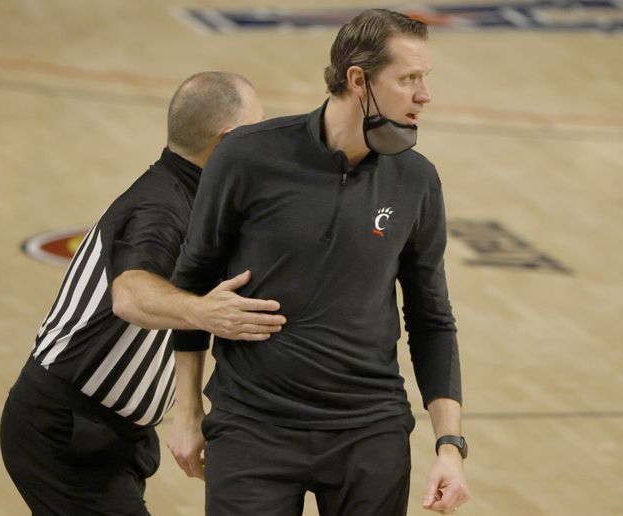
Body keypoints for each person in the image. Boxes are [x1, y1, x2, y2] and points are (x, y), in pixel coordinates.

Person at [168, 9, 470, 516]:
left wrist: (449, 447)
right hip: (252, 427)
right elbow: (194, 282)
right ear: (358, 80)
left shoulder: (416, 180)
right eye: (409, 79)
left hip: (369, 430)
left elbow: (431, 318)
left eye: (425, 79)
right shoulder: (247, 157)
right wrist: (188, 411)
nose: (424, 95)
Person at [0, 71, 286, 515]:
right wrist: (204, 312)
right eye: (259, 125)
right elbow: (130, 296)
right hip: (65, 432)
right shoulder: (159, 207)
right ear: (229, 140)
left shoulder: (198, 198)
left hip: (112, 435)